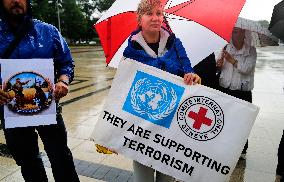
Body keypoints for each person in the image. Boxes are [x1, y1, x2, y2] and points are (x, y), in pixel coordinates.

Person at [0, 0, 80, 181]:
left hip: (47, 108)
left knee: (61, 156)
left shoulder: (48, 31)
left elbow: (66, 63)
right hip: (11, 111)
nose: (15, 1)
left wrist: (63, 81)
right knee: (28, 161)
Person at [122, 0, 201, 181]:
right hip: (143, 122)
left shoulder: (175, 43)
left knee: (167, 177)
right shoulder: (131, 50)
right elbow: (124, 87)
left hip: (171, 121)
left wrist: (192, 76)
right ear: (139, 18)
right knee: (144, 177)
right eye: (149, 14)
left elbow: (188, 69)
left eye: (159, 13)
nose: (155, 18)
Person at [216, 27, 257, 160]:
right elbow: (218, 67)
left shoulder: (251, 50)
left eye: (239, 32)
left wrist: (232, 60)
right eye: (234, 31)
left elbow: (247, 69)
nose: (236, 35)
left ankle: (242, 151)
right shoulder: (225, 47)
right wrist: (219, 64)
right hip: (225, 88)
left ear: (245, 33)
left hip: (242, 91)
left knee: (242, 122)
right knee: (224, 119)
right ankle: (223, 147)